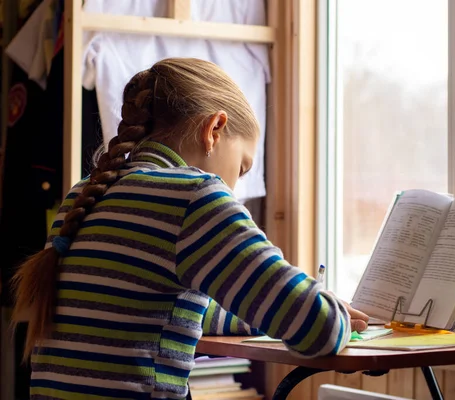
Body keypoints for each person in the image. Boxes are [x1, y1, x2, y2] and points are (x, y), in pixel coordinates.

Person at [11, 58, 369, 399]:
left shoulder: (83, 196)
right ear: (214, 129)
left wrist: (261, 309)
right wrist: (332, 311)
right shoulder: (193, 196)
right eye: (242, 168)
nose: (236, 187)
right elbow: (317, 329)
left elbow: (175, 305)